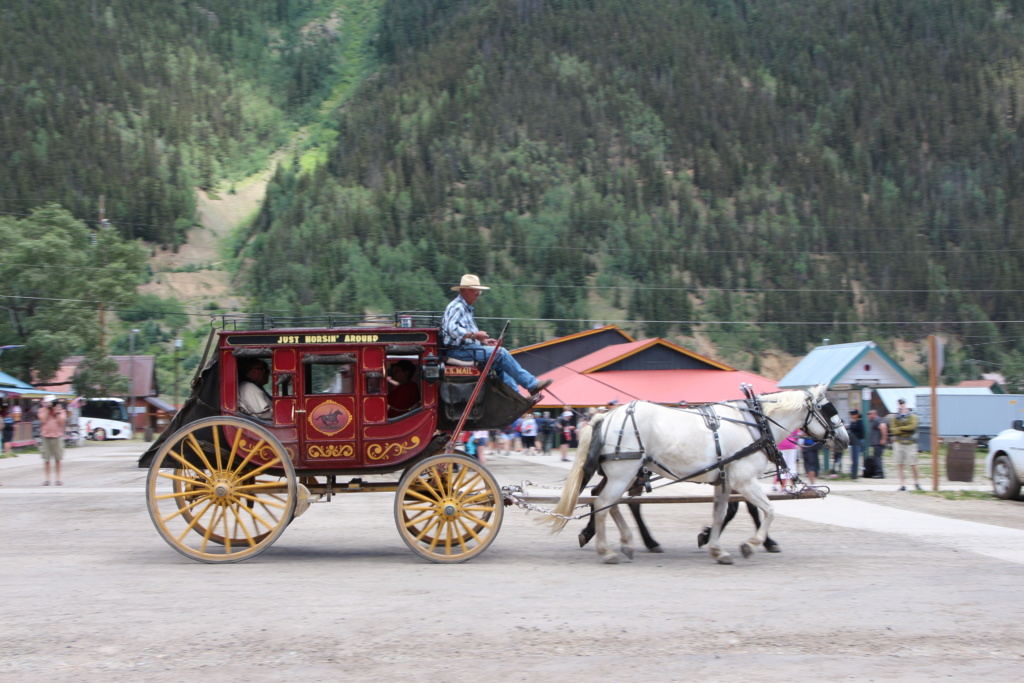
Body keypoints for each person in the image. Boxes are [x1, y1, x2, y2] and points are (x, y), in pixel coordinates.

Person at [441, 274, 552, 396]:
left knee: (498, 362)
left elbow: (465, 334)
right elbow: (451, 329)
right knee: (500, 353)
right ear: (464, 291)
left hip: (466, 349)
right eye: (475, 292)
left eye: (479, 292)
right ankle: (532, 385)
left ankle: (517, 397)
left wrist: (483, 342)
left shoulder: (466, 308)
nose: (477, 295)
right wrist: (474, 335)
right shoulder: (458, 307)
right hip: (457, 351)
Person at [890, 398, 922, 491]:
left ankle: (916, 482)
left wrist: (900, 428)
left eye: (903, 403)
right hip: (899, 442)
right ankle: (902, 484)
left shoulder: (913, 416)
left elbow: (912, 427)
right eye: (899, 403)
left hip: (910, 443)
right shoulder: (895, 417)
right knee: (900, 464)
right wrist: (903, 429)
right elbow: (893, 429)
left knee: (913, 463)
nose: (901, 405)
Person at [38, 395, 66, 486]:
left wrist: (56, 412)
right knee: (46, 459)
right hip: (45, 435)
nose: (50, 404)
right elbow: (42, 419)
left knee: (58, 458)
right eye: (48, 402)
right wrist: (47, 409)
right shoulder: (42, 410)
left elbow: (62, 422)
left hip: (57, 435)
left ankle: (58, 479)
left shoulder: (61, 411)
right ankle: (47, 479)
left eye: (51, 402)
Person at [866, 408, 888, 478]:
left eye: (869, 414)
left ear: (874, 414)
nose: (868, 415)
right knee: (876, 458)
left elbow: (883, 427)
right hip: (876, 443)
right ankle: (877, 472)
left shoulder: (877, 420)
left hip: (878, 443)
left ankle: (880, 473)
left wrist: (883, 439)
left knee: (877, 458)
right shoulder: (873, 421)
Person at [846, 409, 865, 480]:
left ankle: (855, 473)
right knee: (852, 458)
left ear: (856, 415)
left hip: (857, 442)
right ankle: (852, 471)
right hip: (852, 442)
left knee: (856, 458)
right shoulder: (852, 422)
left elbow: (862, 433)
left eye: (853, 414)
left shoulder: (860, 422)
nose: (852, 416)